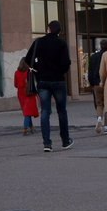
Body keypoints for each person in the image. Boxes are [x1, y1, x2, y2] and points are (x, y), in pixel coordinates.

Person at [26, 20, 72, 153]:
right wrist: (60, 71)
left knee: (45, 111)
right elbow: (66, 63)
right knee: (61, 111)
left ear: (48, 29)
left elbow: (28, 59)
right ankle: (65, 140)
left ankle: (47, 143)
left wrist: (38, 70)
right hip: (58, 80)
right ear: (59, 31)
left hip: (43, 81)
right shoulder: (62, 44)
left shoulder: (38, 42)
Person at [87, 39, 107, 134]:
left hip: (96, 84)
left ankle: (99, 119)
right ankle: (106, 128)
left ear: (100, 46)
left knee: (99, 104)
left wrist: (92, 83)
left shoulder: (93, 57)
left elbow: (90, 71)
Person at [14, 58, 40, 135]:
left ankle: (31, 127)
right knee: (28, 112)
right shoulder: (29, 72)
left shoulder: (16, 72)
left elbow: (15, 84)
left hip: (20, 93)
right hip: (29, 93)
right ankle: (25, 128)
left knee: (26, 111)